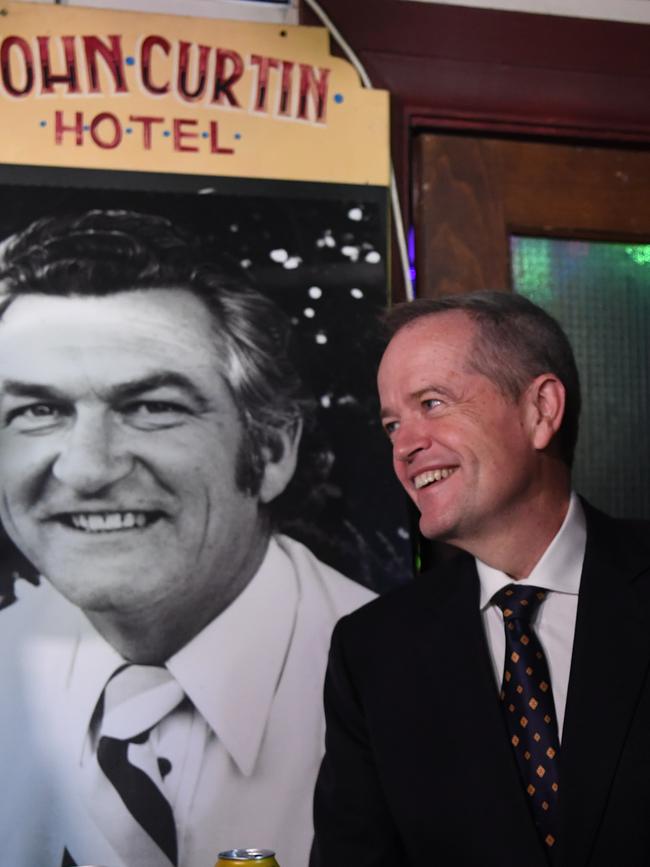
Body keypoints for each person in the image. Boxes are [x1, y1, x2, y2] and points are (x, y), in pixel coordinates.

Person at [0, 209, 375, 867]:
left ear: (273, 449)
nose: (88, 468)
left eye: (153, 406)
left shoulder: (424, 695)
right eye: (37, 410)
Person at [311, 291, 650, 867]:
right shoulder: (371, 652)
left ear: (540, 410)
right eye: (392, 423)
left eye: (433, 403)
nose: (404, 445)